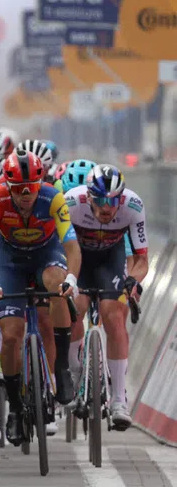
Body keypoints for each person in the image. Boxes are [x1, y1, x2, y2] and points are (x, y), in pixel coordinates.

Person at [0, 150, 80, 446]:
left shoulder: (53, 198)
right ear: (8, 185)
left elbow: (72, 245)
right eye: (19, 188)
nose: (26, 194)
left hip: (46, 255)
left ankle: (61, 367)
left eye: (31, 187)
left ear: (40, 182)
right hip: (9, 262)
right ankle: (14, 405)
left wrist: (72, 278)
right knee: (10, 335)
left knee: (57, 284)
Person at [63, 165, 148, 430]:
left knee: (114, 316)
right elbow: (55, 248)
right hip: (77, 259)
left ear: (121, 198)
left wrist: (132, 281)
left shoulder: (133, 206)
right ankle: (76, 375)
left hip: (110, 260)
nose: (106, 208)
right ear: (88, 197)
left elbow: (142, 259)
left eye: (112, 201)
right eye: (99, 200)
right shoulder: (71, 203)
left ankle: (119, 399)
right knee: (73, 309)